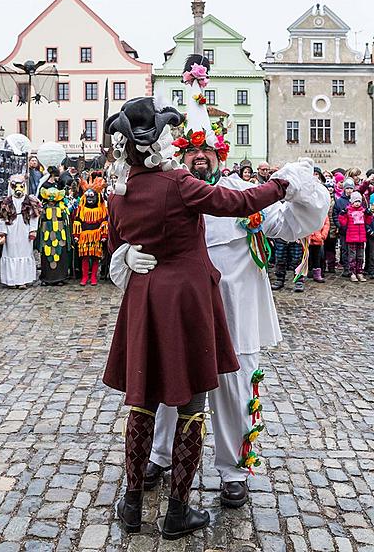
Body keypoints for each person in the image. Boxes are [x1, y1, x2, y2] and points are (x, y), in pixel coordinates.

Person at [102, 87, 291, 538]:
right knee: (190, 405)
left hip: (145, 301)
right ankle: (177, 511)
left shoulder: (119, 193)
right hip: (186, 301)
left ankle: (131, 505)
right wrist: (281, 185)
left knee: (142, 401)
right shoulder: (180, 184)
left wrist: (127, 256)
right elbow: (239, 203)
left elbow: (116, 244)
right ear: (159, 144)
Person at [0, 174, 42, 288]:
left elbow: (34, 216)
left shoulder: (29, 201)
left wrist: (33, 230)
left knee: (24, 252)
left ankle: (23, 280)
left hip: (24, 227)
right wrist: (3, 233)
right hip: (11, 227)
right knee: (11, 252)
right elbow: (3, 217)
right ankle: (11, 280)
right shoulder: (7, 202)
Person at [37, 166, 71, 286]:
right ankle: (47, 277)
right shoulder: (44, 206)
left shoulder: (61, 208)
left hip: (60, 234)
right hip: (47, 234)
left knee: (60, 252)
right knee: (47, 253)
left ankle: (60, 276)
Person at [72, 174, 108, 286]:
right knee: (85, 257)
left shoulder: (101, 209)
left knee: (96, 257)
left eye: (92, 197)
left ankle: (93, 277)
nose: (90, 199)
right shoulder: (81, 208)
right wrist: (77, 235)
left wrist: (104, 235)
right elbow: (77, 221)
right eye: (88, 197)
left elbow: (104, 222)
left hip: (96, 235)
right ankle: (84, 277)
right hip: (84, 235)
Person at [339, 191, 372, 282]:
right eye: (355, 201)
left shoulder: (363, 211)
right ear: (351, 202)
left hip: (361, 237)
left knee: (360, 256)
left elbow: (368, 222)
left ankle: (359, 272)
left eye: (358, 201)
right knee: (352, 256)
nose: (357, 203)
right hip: (351, 237)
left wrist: (369, 215)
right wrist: (342, 214)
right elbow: (343, 222)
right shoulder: (348, 210)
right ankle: (352, 272)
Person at [333, 178, 355, 277]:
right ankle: (346, 268)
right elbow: (335, 215)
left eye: (351, 188)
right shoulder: (339, 201)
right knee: (344, 249)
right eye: (348, 188)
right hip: (344, 230)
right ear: (344, 189)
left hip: (354, 230)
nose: (349, 190)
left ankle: (353, 268)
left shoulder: (356, 200)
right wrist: (340, 226)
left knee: (353, 250)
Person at [309, 216, 329, 283]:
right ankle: (308, 271)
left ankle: (317, 274)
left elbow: (326, 223)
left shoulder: (322, 212)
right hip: (307, 239)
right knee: (307, 257)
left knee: (318, 257)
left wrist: (323, 235)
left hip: (318, 238)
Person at [324, 180, 337, 273]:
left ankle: (331, 266)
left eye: (332, 187)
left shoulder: (336, 199)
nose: (330, 189)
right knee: (323, 249)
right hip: (323, 227)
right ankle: (323, 266)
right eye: (329, 187)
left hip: (332, 226)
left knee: (331, 248)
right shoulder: (323, 199)